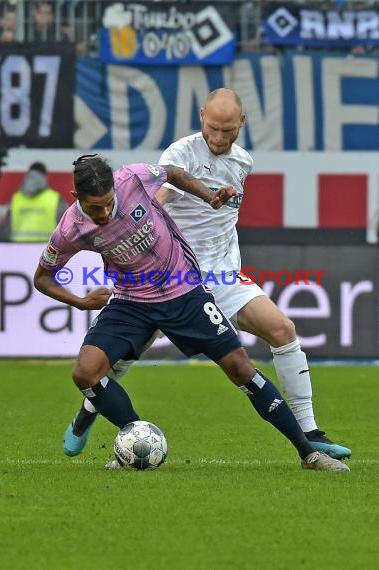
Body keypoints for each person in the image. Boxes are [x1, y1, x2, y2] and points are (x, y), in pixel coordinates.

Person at [64, 90, 351, 461]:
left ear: (241, 125)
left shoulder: (243, 162)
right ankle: (86, 416)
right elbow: (156, 200)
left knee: (282, 330)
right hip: (169, 276)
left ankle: (310, 431)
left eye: (227, 131)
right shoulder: (180, 153)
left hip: (221, 275)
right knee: (117, 363)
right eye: (213, 128)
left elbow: (223, 220)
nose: (218, 138)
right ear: (202, 117)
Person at [0, 162, 68, 242]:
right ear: (45, 176)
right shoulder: (55, 199)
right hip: (47, 249)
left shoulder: (15, 199)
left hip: (17, 250)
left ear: (28, 175)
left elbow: (5, 228)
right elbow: (67, 228)